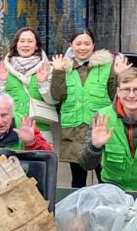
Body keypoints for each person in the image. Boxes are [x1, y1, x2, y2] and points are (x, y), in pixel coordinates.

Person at [49, 28, 115, 187]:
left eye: (87, 43)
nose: (83, 48)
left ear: (94, 46)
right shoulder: (64, 67)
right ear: (71, 45)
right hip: (74, 131)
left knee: (104, 179)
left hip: (100, 129)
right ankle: (78, 211)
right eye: (78, 43)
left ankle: (104, 211)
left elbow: (116, 97)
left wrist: (120, 75)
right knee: (78, 180)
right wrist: (57, 72)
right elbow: (57, 96)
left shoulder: (106, 67)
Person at [0, 26, 59, 145]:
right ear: (16, 44)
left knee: (39, 163)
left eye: (30, 41)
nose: (25, 45)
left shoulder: (47, 69)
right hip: (11, 131)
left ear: (36, 45)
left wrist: (42, 84)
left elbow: (54, 100)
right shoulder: (3, 69)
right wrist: (1, 82)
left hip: (40, 132)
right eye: (22, 41)